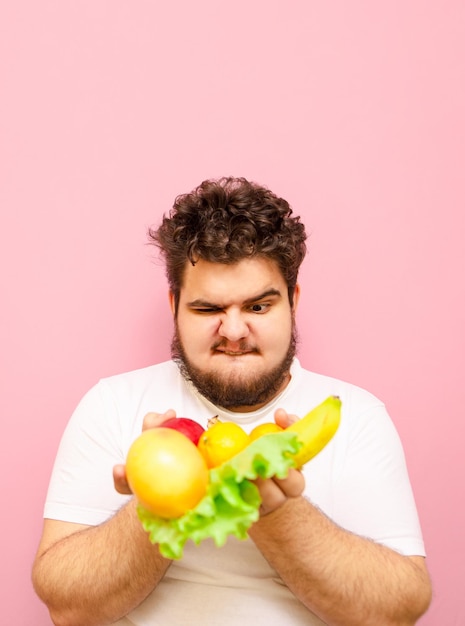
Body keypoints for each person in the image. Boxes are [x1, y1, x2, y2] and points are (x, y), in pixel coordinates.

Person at [32, 177, 432, 626]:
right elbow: (66, 606)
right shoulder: (111, 404)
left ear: (293, 302)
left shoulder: (355, 416)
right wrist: (158, 503)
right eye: (208, 310)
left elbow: (399, 610)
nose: (235, 331)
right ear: (175, 305)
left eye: (259, 307)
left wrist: (274, 507)